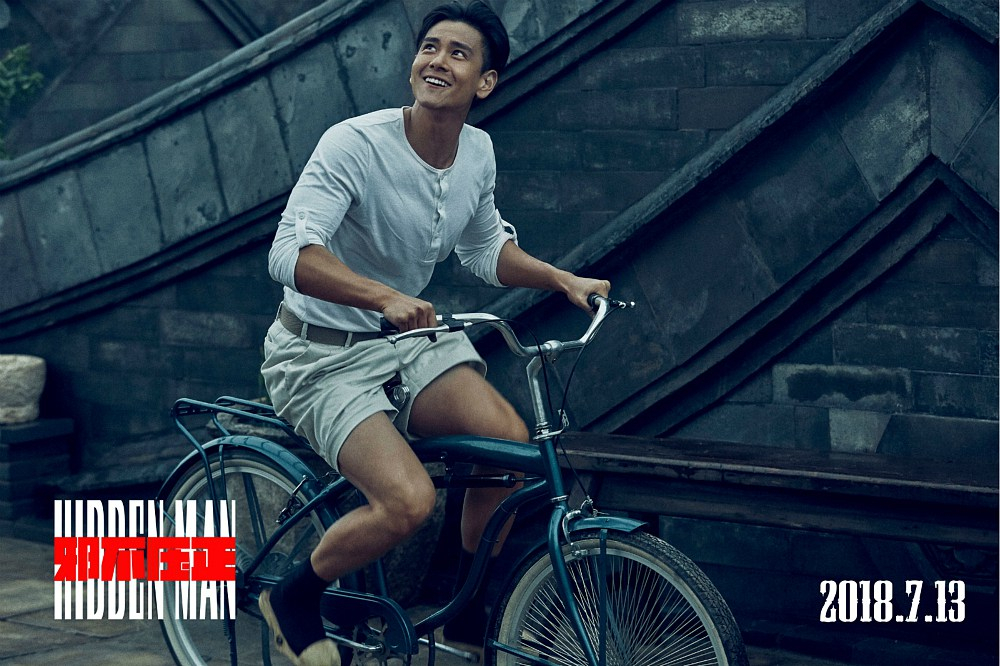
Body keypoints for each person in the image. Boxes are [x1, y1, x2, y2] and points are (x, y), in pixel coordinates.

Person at [259, 2, 610, 664]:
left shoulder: (477, 151)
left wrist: (560, 279)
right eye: (429, 47)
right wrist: (384, 296)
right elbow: (288, 254)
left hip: (404, 343)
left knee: (507, 443)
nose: (437, 61)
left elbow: (485, 247)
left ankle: (468, 613)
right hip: (319, 353)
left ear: (486, 82)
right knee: (408, 502)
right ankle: (296, 596)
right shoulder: (354, 144)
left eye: (458, 53)